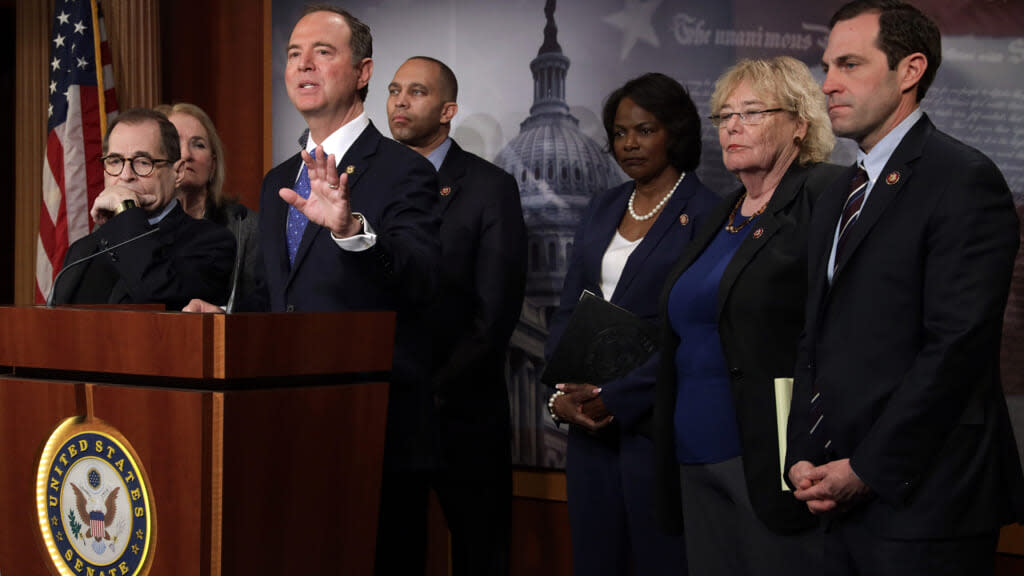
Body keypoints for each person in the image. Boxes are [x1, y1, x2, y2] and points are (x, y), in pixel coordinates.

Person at [784, 2, 1024, 574]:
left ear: (910, 70)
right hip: (833, 493)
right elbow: (814, 336)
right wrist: (799, 452)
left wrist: (865, 469)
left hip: (926, 502)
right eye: (826, 66)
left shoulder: (963, 179)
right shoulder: (839, 190)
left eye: (848, 65)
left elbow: (955, 350)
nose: (828, 85)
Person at [652, 57, 841, 576]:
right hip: (693, 452)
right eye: (725, 115)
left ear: (800, 123)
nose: (732, 126)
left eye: (752, 113)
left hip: (773, 457)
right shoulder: (723, 211)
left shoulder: (828, 195)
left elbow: (850, 329)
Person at [545, 72, 717, 576]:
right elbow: (570, 307)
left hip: (656, 427)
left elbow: (697, 333)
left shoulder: (706, 212)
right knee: (597, 560)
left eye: (645, 130)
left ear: (675, 133)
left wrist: (616, 398)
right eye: (620, 133)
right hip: (589, 431)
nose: (629, 144)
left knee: (659, 561)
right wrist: (561, 396)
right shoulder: (603, 206)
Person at [382, 55, 526, 576]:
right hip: (387, 412)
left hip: (461, 410)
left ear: (448, 110)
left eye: (416, 92)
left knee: (480, 553)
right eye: (395, 89)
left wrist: (430, 387)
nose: (399, 100)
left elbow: (495, 314)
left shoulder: (490, 188)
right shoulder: (369, 184)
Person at [51, 108, 235, 309]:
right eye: (115, 161)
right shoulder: (82, 250)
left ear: (178, 173)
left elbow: (156, 296)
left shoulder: (211, 242)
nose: (126, 175)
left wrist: (127, 210)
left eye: (143, 162)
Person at [156, 102, 265, 312]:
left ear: (213, 165)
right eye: (174, 143)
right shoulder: (132, 225)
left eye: (198, 145)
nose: (186, 154)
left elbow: (262, 307)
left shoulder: (247, 227)